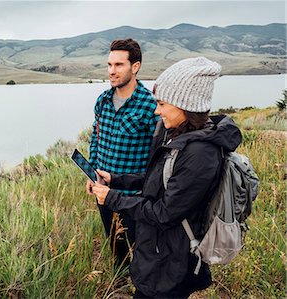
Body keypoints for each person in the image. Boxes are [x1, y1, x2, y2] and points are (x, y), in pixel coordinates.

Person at [90, 57, 243, 298]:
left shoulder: (200, 154)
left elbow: (164, 212)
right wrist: (116, 180)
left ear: (184, 105)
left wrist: (113, 198)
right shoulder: (176, 134)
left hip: (171, 262)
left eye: (162, 103)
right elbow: (157, 179)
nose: (156, 110)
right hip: (158, 252)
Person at [86, 39, 158, 265]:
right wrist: (92, 172)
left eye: (118, 65)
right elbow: (96, 138)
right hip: (104, 191)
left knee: (139, 250)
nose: (111, 71)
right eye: (109, 65)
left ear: (134, 67)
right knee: (115, 244)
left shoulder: (150, 105)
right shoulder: (103, 101)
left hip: (133, 198)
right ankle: (118, 282)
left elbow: (158, 156)